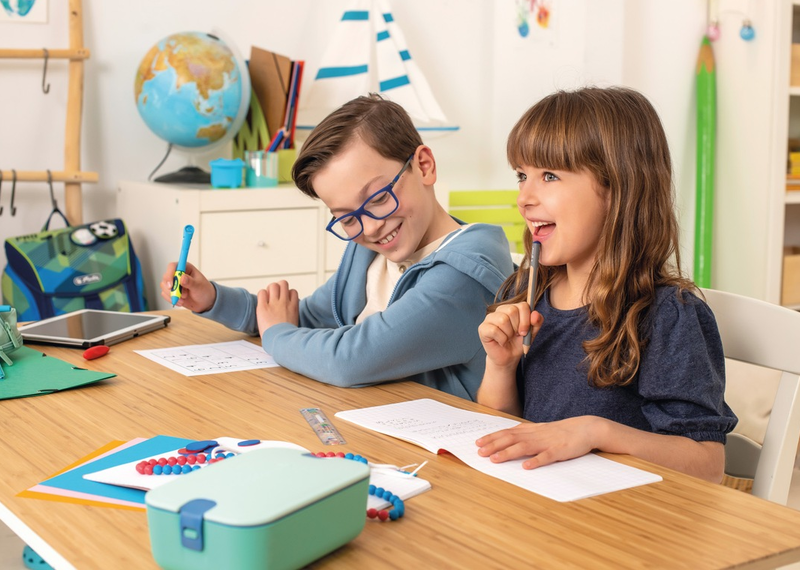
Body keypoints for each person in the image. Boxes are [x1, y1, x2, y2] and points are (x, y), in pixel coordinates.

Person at [160, 94, 514, 401]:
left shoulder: (465, 275)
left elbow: (351, 358)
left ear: (424, 166)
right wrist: (213, 299)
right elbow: (306, 319)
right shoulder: (369, 253)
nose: (371, 226)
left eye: (377, 197)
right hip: (368, 424)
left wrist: (278, 335)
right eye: (347, 218)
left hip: (447, 453)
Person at [474, 87, 737, 482]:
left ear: (617, 188)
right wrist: (501, 366)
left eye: (549, 176)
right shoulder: (529, 292)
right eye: (521, 176)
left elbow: (707, 465)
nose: (524, 197)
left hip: (624, 524)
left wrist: (596, 431)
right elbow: (501, 436)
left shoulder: (668, 315)